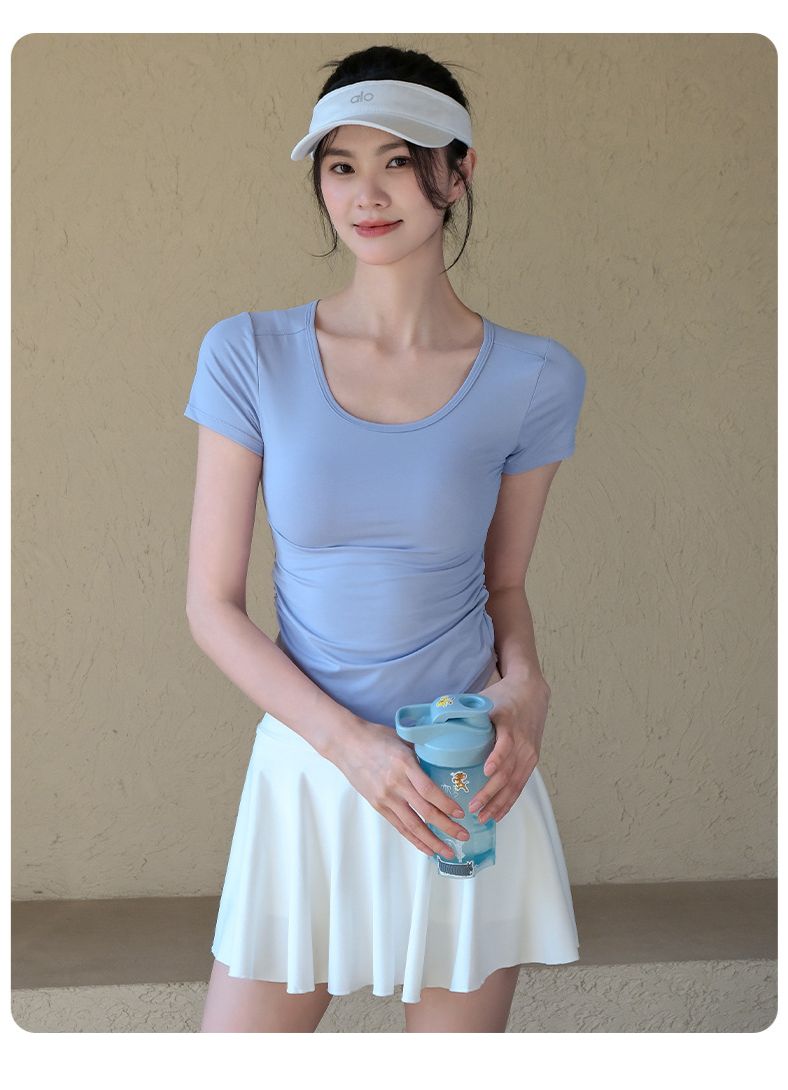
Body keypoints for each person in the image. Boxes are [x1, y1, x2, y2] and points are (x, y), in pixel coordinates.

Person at [184, 44, 587, 1033]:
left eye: (398, 161)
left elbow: (503, 586)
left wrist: (528, 687)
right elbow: (211, 605)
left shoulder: (534, 377)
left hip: (460, 777)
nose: (366, 193)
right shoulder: (248, 355)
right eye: (340, 165)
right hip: (310, 775)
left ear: (458, 172)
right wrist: (352, 749)